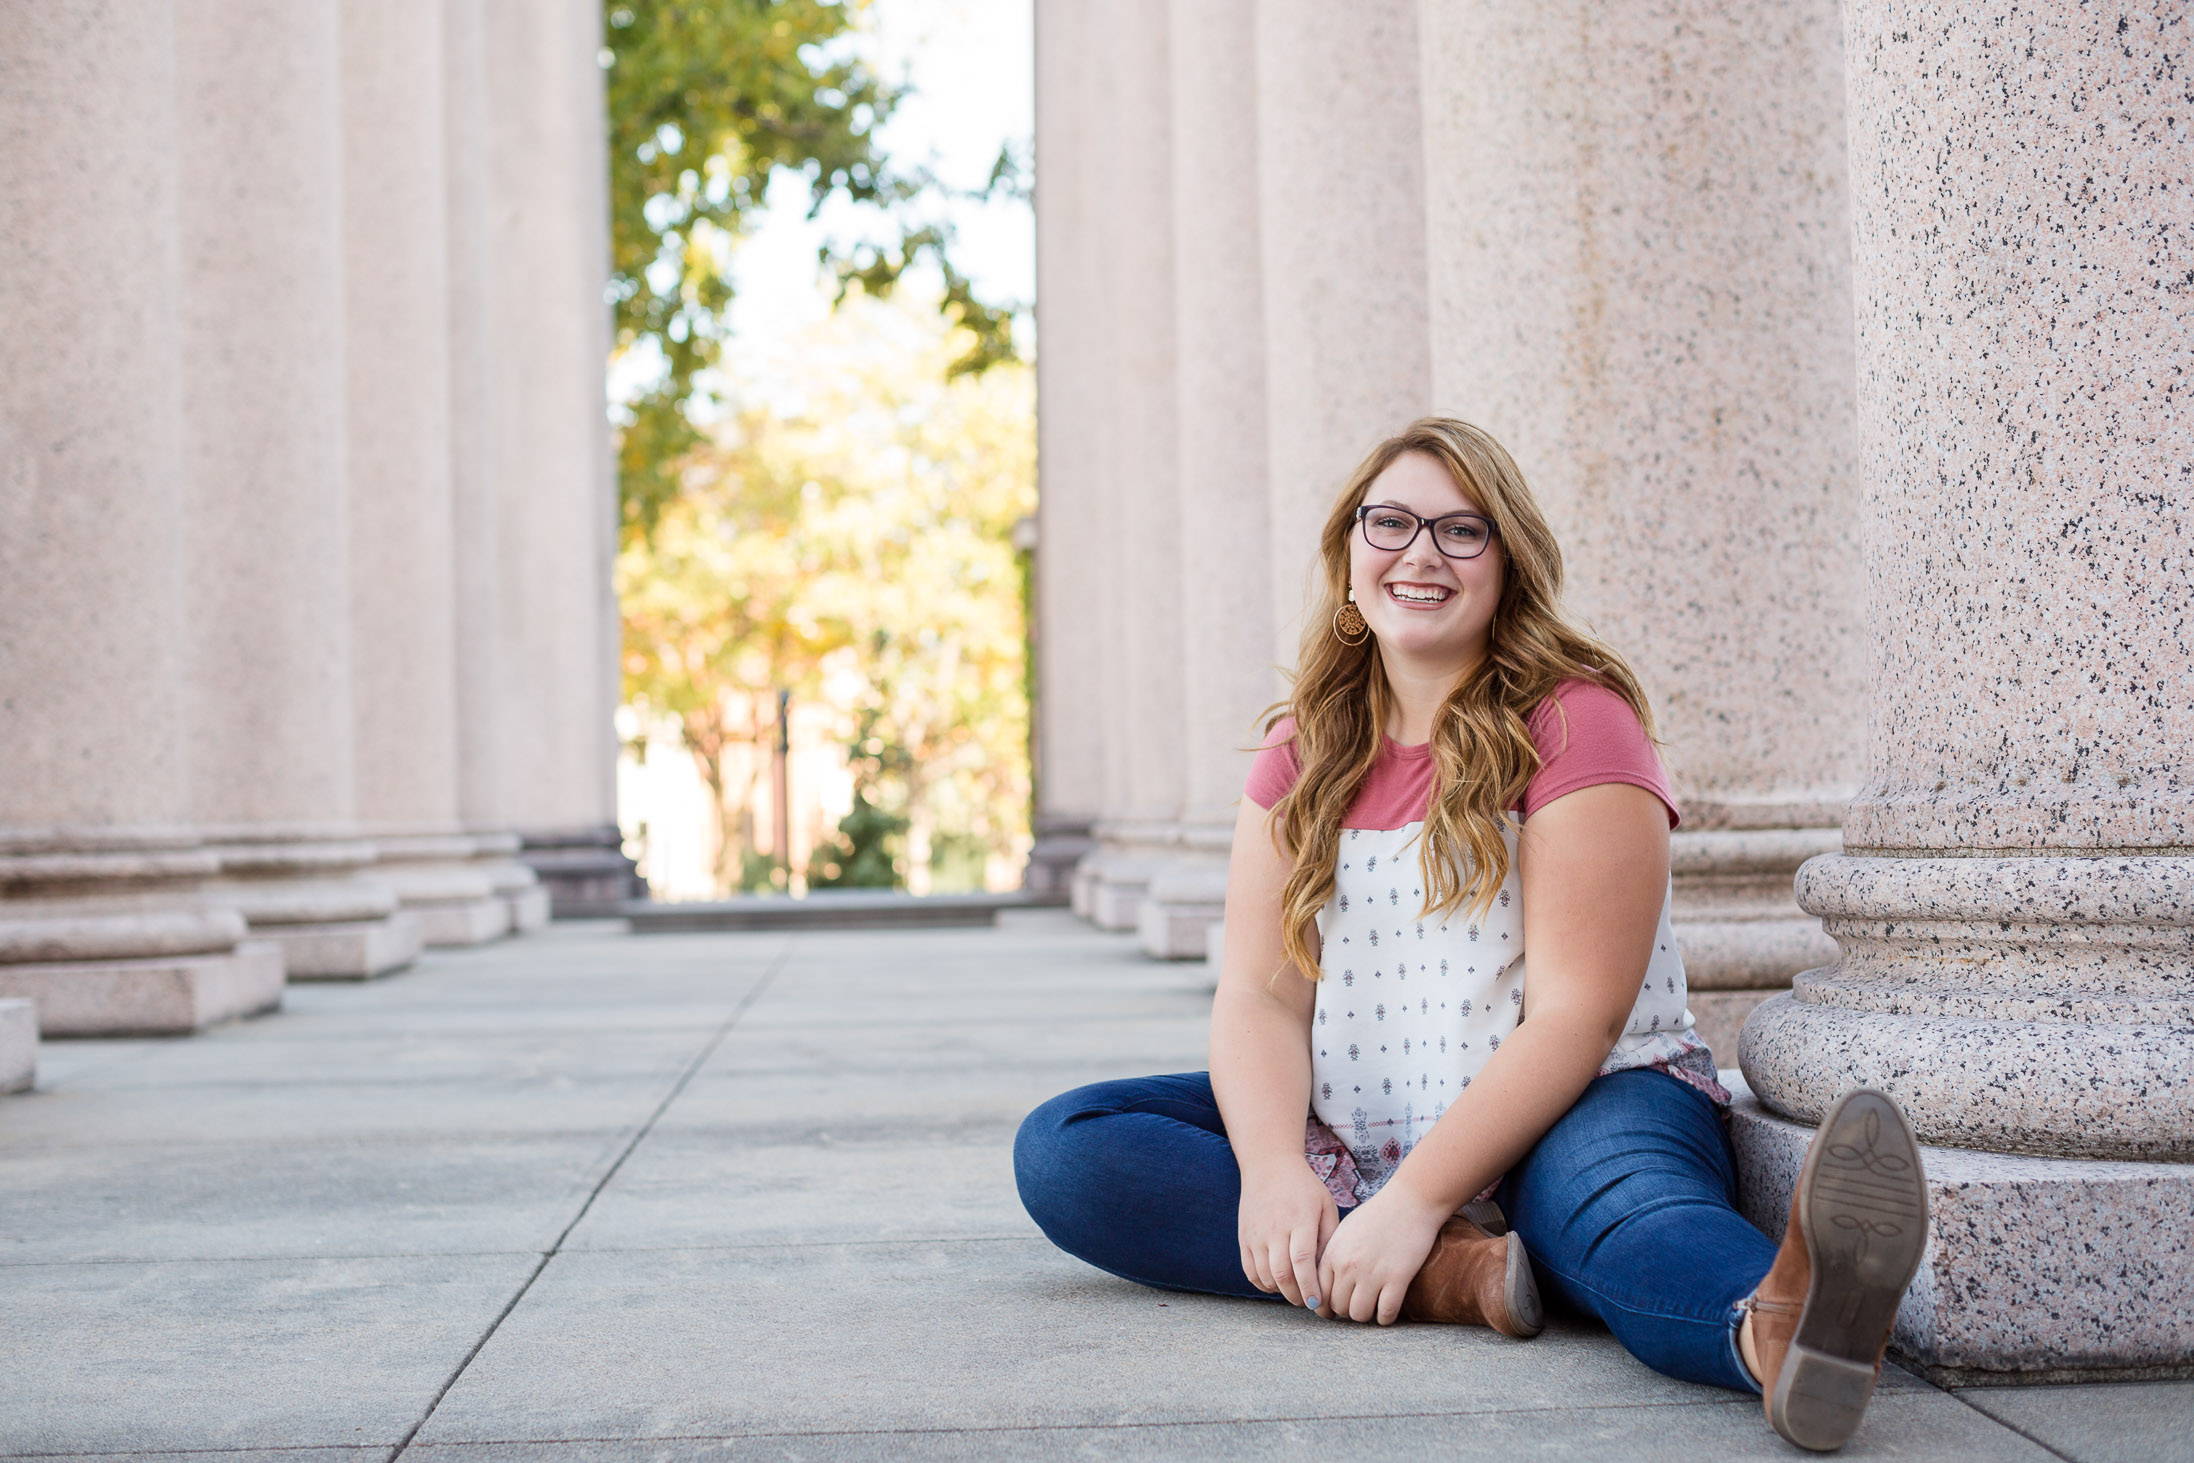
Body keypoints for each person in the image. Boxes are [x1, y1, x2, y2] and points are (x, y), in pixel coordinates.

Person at [1015, 419, 1931, 1452]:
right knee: (1069, 1150)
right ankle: (1453, 1275)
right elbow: (1261, 995)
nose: (1420, 552)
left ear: (1508, 565)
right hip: (1361, 1116)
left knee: (1621, 1214)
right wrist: (1275, 1166)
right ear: (1348, 555)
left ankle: (1774, 1328)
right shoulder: (1300, 748)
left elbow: (1579, 1014)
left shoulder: (1576, 720)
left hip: (1579, 1093)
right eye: (1392, 521)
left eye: (1462, 531)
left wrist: (1415, 1197)